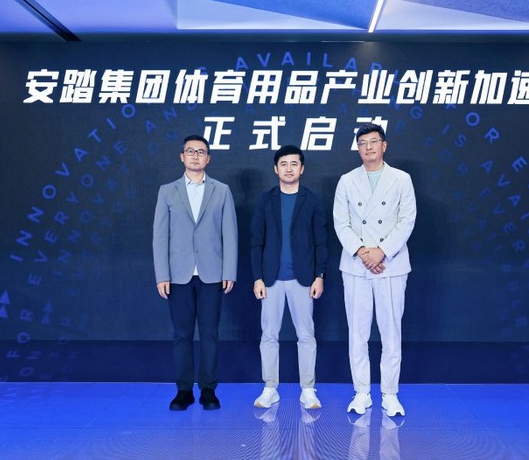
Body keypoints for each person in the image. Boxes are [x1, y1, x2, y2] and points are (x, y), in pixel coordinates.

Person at [333, 123, 417, 417]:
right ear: (357, 148)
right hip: (356, 265)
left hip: (391, 265)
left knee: (391, 332)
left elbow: (406, 220)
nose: (368, 147)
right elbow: (341, 222)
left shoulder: (401, 179)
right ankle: (361, 393)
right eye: (362, 143)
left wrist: (382, 251)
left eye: (373, 141)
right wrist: (362, 252)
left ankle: (390, 394)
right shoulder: (346, 180)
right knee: (357, 333)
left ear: (384, 145)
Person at [153, 134, 238, 411]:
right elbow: (160, 237)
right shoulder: (167, 191)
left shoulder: (221, 190)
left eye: (201, 152)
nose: (195, 156)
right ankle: (184, 390)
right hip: (178, 275)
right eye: (190, 151)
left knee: (210, 333)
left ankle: (209, 390)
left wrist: (229, 270)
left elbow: (230, 234)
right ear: (182, 157)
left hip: (212, 273)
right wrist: (162, 274)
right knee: (182, 334)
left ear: (208, 158)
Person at [250, 145, 328, 410]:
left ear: (302, 168)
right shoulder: (265, 200)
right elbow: (256, 241)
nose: (289, 169)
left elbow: (321, 241)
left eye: (294, 164)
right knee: (269, 335)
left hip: (303, 278)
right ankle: (270, 388)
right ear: (276, 169)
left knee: (306, 335)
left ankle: (308, 389)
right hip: (270, 279)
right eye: (283, 164)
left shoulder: (312, 199)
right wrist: (257, 277)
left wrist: (319, 275)